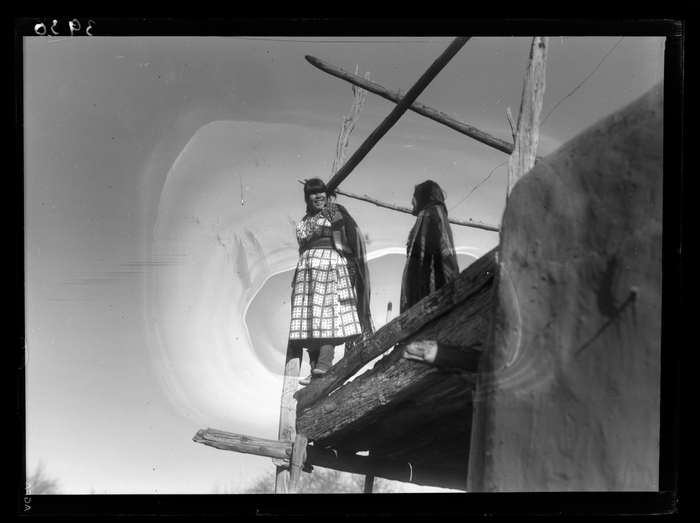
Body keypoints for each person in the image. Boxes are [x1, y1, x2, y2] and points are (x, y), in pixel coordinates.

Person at [288, 178, 373, 386]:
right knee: (309, 319)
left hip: (330, 268)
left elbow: (354, 238)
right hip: (306, 274)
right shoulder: (304, 221)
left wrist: (352, 269)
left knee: (328, 316)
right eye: (313, 193)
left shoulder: (335, 212)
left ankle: (324, 363)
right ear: (307, 197)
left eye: (321, 192)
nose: (318, 196)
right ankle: (315, 368)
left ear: (327, 194)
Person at [400, 180, 459, 314]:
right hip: (441, 288)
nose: (411, 201)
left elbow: (421, 263)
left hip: (427, 291)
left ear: (422, 197)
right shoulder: (439, 214)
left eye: (415, 196)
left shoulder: (427, 214)